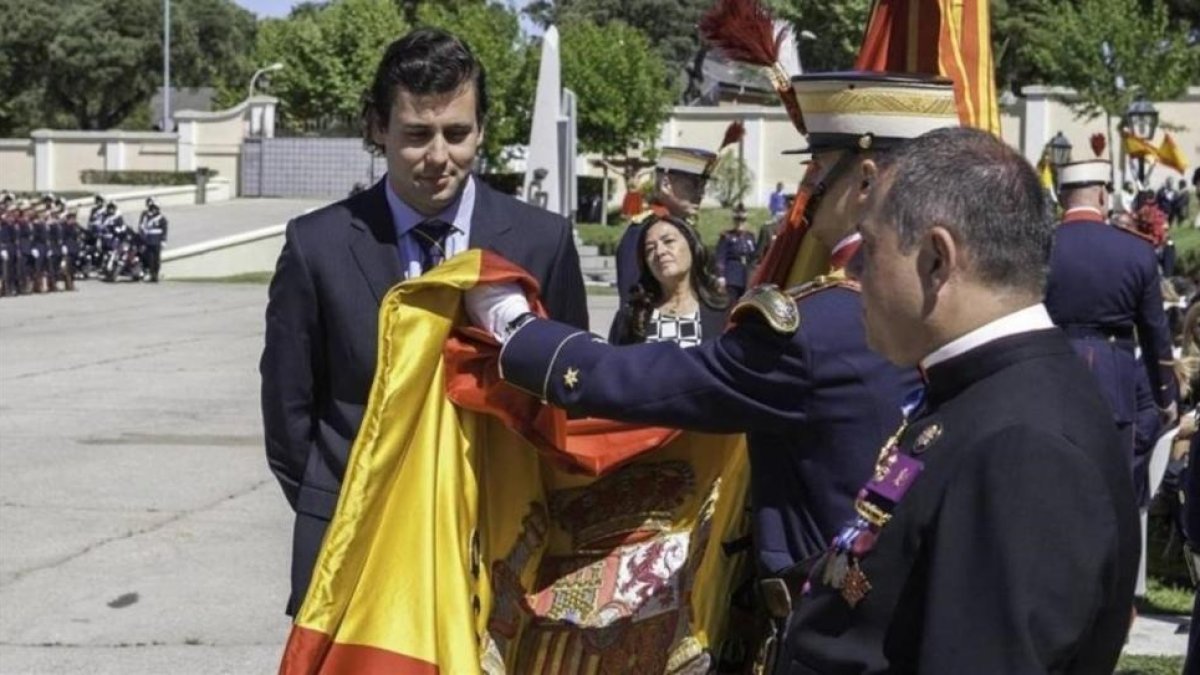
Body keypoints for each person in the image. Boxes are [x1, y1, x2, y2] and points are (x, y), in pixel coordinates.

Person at [464, 72, 960, 667]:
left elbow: (659, 382)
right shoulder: (951, 301)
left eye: (815, 171)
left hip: (827, 632)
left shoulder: (818, 327)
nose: (806, 191)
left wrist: (520, 333)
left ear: (864, 178)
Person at [772, 126, 1140, 673]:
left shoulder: (1024, 446)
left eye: (869, 250)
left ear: (937, 260)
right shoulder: (981, 390)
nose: (853, 272)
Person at [260, 27, 588, 617]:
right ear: (377, 128)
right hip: (357, 552)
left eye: (457, 133)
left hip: (502, 555)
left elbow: (569, 401)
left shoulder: (544, 242)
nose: (439, 156)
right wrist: (347, 508)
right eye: (416, 134)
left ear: (482, 129)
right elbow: (289, 419)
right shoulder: (317, 247)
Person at [1045, 159, 1179, 477]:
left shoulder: (1040, 248)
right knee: (1112, 490)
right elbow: (1154, 333)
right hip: (1113, 382)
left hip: (1049, 375)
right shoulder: (1135, 251)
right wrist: (1164, 397)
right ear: (1104, 196)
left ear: (1062, 197)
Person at [614, 147, 715, 306]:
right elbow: (631, 296)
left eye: (703, 186)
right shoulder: (643, 231)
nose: (701, 193)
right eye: (694, 185)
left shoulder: (685, 229)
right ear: (666, 185)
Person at [608, 214, 727, 346]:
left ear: (692, 246)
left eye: (668, 241)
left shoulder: (723, 314)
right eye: (650, 249)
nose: (659, 252)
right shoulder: (631, 318)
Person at [715, 203, 757, 300]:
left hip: (747, 276)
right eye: (737, 220)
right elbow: (720, 257)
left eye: (742, 220)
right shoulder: (727, 236)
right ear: (734, 220)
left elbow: (754, 256)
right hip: (732, 276)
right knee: (731, 303)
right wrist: (721, 276)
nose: (740, 223)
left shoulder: (750, 237)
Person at [138, 198, 168, 282]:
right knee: (150, 259)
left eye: (155, 208)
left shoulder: (162, 219)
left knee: (157, 259)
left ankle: (156, 274)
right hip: (149, 242)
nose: (153, 210)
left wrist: (163, 240)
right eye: (152, 208)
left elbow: (164, 230)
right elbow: (144, 228)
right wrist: (143, 239)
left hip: (157, 242)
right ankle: (152, 274)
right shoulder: (147, 218)